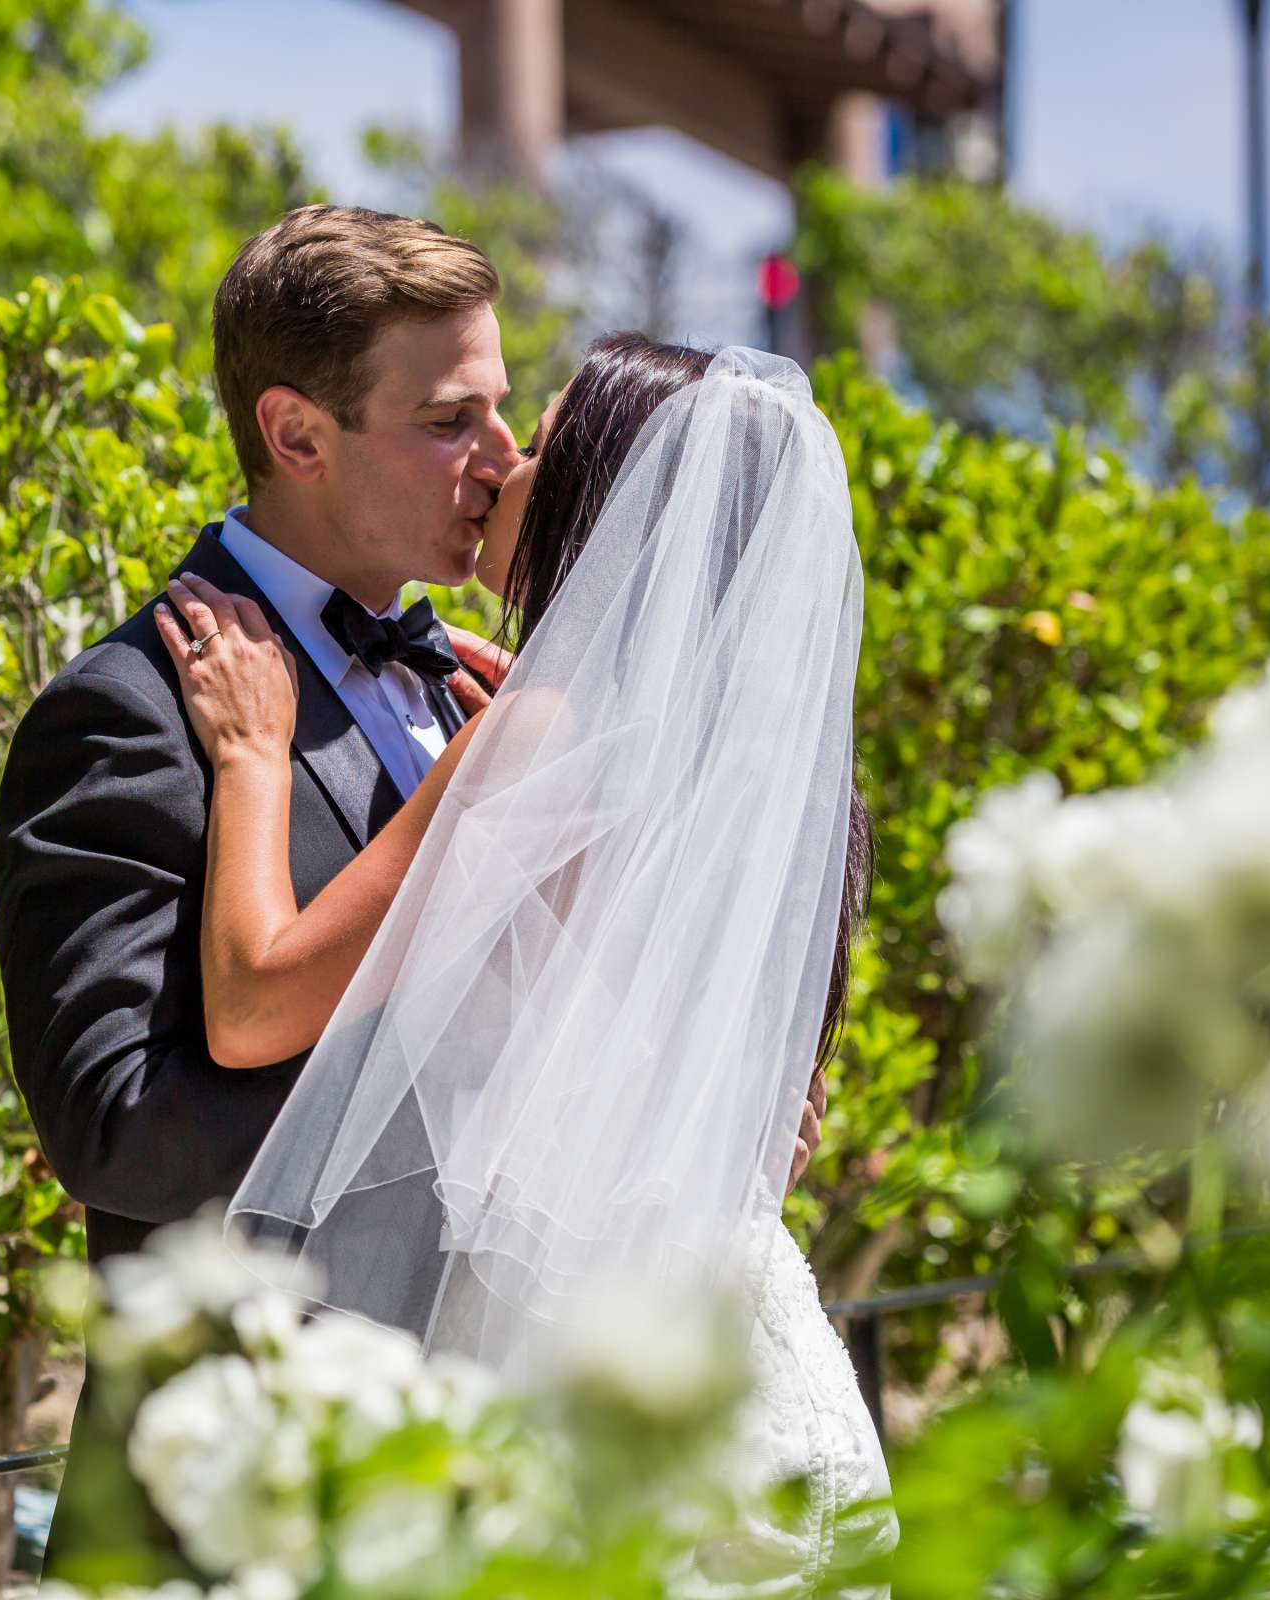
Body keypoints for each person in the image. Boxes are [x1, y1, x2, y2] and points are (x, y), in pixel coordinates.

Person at [0, 211, 829, 1580]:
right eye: (451, 421)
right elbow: (118, 1134)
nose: (500, 463)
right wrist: (493, 1070)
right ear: (299, 435)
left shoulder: (495, 694)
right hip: (232, 1512)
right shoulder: (133, 714)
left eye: (505, 411)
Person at [166, 332, 894, 1591]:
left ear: (615, 503)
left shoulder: (554, 735)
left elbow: (253, 1003)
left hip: (598, 1394)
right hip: (760, 1379)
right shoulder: (761, 779)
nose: (502, 463)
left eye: (546, 443)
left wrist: (249, 753)